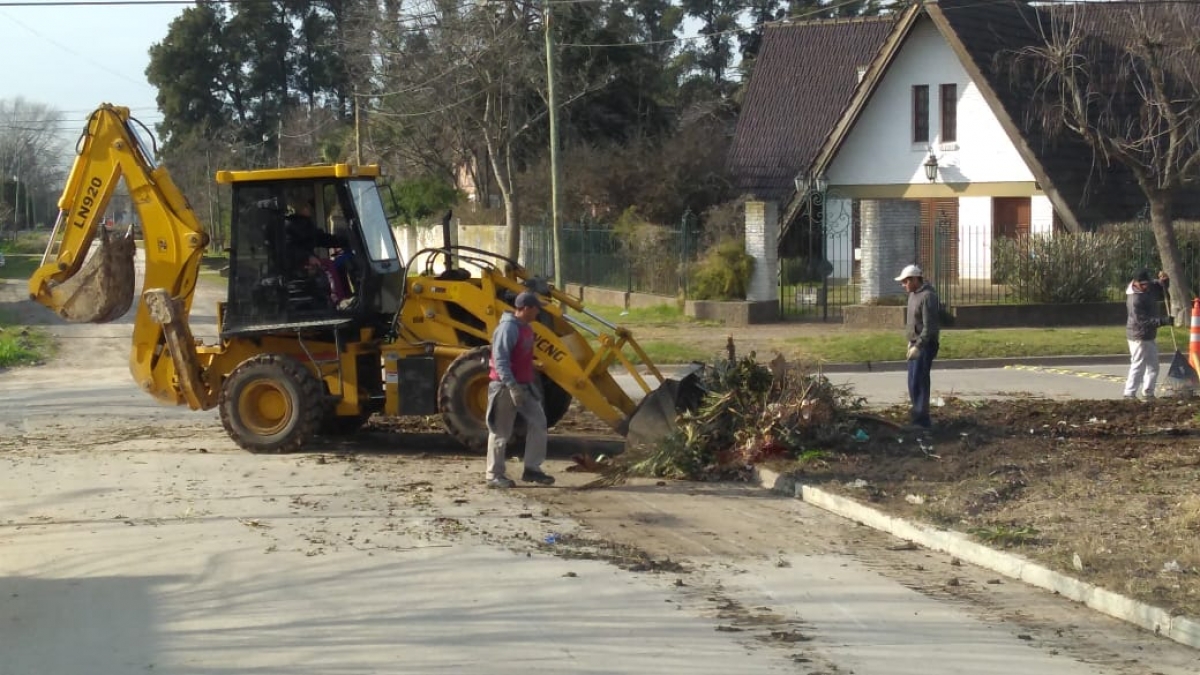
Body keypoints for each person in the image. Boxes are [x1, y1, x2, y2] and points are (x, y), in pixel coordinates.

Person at [484, 290, 555, 488]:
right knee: (501, 430)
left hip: (524, 385)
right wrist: (512, 386)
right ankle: (494, 475)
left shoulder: (526, 327)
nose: (538, 313)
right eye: (536, 309)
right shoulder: (507, 328)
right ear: (525, 308)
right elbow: (500, 360)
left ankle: (532, 468)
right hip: (505, 387)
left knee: (539, 422)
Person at [895, 264, 940, 429]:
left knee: (920, 380)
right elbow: (913, 322)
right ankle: (917, 416)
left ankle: (922, 421)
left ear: (915, 279)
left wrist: (919, 346)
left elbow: (930, 327)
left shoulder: (928, 296)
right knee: (913, 381)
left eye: (905, 281)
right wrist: (910, 342)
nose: (903, 285)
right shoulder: (913, 295)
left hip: (925, 345)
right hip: (915, 343)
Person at [1124, 269, 1171, 400]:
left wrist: (1164, 281)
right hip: (1138, 335)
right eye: (1143, 285)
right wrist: (1162, 321)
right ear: (1136, 283)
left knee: (1153, 365)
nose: (1146, 286)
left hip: (1149, 335)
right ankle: (1129, 393)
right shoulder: (1135, 299)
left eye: (1147, 283)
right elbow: (1142, 322)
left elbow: (1160, 287)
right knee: (1138, 364)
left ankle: (1148, 392)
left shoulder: (1149, 287)